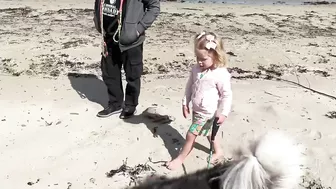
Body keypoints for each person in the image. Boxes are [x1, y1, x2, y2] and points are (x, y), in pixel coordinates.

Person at [166, 31, 233, 170]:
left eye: (204, 59)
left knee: (191, 135)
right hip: (197, 109)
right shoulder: (196, 69)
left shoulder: (220, 74)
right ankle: (218, 151)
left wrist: (224, 112)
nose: (200, 62)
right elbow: (189, 86)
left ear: (215, 55)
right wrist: (186, 102)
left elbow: (226, 95)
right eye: (197, 58)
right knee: (208, 133)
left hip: (209, 113)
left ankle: (180, 158)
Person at [93, 0, 160, 119]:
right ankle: (115, 104)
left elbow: (154, 7)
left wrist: (138, 29)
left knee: (133, 74)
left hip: (131, 40)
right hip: (108, 37)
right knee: (109, 73)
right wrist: (97, 21)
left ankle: (130, 105)